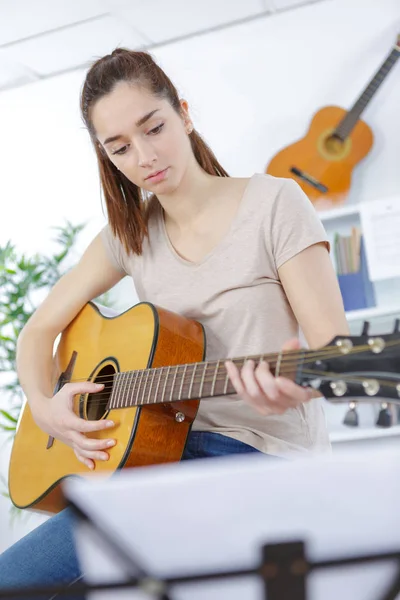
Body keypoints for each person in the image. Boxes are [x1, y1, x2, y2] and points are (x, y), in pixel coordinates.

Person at [0, 48, 349, 598]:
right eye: (119, 148)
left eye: (154, 127)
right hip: (159, 459)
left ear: (183, 114)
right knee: (12, 578)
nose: (144, 156)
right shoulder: (129, 234)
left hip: (261, 457)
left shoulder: (275, 203)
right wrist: (46, 407)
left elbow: (336, 354)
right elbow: (37, 332)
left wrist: (294, 392)